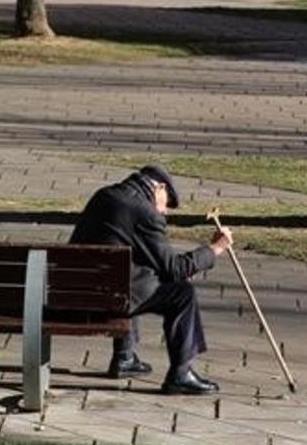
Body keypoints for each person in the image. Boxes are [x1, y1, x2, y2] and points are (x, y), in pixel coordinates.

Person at [70, 165, 233, 395]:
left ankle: (125, 356)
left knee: (128, 273)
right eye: (167, 203)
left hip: (73, 292)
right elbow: (174, 270)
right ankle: (181, 373)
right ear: (160, 188)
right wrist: (215, 249)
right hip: (108, 298)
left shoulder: (104, 196)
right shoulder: (144, 212)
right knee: (181, 293)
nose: (164, 211)